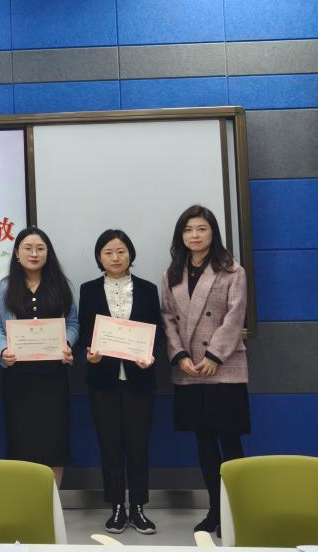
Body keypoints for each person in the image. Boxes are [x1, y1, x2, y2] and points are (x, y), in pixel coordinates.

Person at [160, 205, 249, 538]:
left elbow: (235, 316)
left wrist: (215, 355)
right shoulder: (172, 273)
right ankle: (214, 509)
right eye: (187, 230)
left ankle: (236, 510)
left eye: (201, 229)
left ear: (213, 232)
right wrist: (179, 355)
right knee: (204, 442)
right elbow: (167, 318)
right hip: (190, 369)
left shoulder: (232, 270)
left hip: (222, 367)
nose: (194, 235)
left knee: (230, 441)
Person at [78, 229, 162, 535]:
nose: (115, 257)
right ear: (99, 257)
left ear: (130, 254)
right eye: (108, 252)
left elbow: (157, 332)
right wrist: (90, 355)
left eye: (121, 251)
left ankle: (138, 507)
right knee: (109, 444)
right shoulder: (88, 290)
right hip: (103, 379)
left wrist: (150, 356)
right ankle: (116, 506)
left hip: (139, 377)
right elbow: (85, 332)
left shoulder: (148, 289)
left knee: (138, 445)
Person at [0, 226, 78, 486]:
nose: (34, 254)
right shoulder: (4, 288)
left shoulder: (61, 286)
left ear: (48, 253)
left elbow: (73, 323)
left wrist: (67, 343)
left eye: (40, 248)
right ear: (17, 253)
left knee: (55, 443)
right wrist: (3, 349)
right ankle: (25, 503)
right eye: (28, 248)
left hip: (53, 377)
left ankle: (52, 503)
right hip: (18, 378)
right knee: (22, 442)